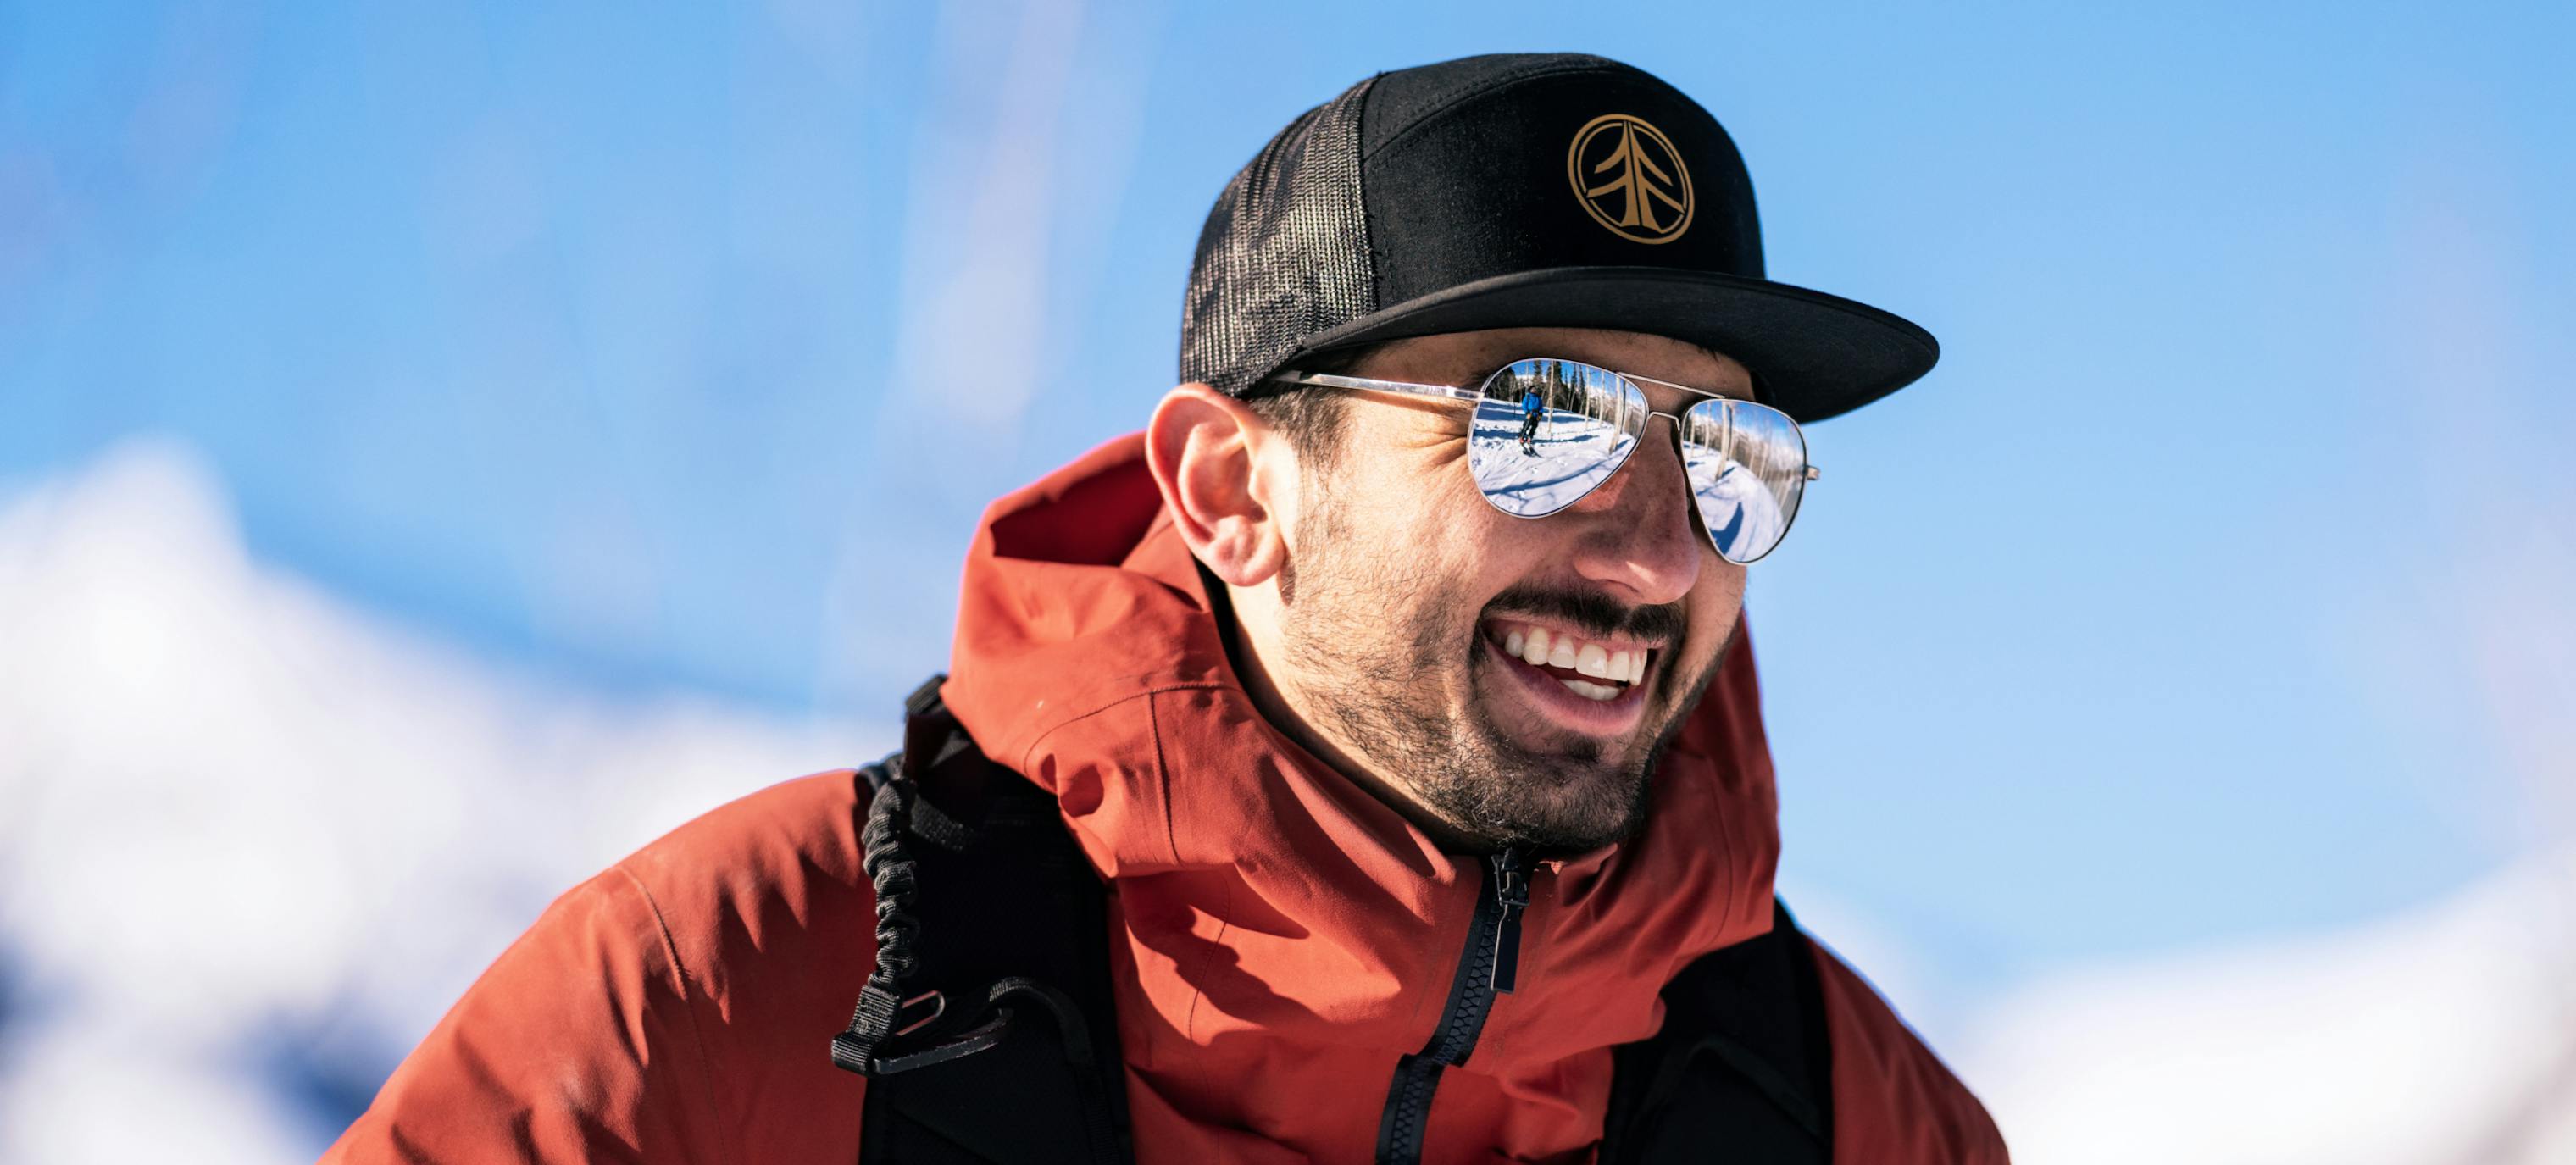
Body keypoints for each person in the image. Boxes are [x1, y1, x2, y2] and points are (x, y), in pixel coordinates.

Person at [324, 53, 2007, 1164]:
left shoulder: (1850, 1119)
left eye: (1723, 451)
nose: (1653, 556)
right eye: (1541, 421)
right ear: (1231, 490)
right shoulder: (732, 997)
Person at [1521, 382, 1545, 454]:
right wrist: (1527, 413)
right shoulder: (1527, 397)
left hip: (1536, 414)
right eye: (1533, 389)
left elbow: (1541, 407)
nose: (1534, 390)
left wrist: (1540, 414)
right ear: (1530, 390)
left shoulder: (1538, 398)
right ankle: (1522, 437)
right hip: (1530, 414)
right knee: (1527, 426)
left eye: (1535, 389)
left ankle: (1530, 437)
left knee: (1534, 427)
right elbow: (1524, 405)